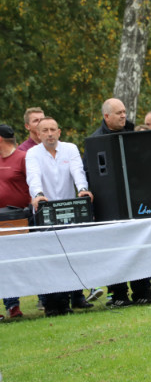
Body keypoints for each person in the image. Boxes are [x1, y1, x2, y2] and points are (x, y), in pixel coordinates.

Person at [26, 117, 95, 316]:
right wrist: (38, 194)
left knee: (68, 257)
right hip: (44, 210)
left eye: (53, 130)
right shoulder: (32, 153)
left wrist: (82, 189)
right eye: (45, 130)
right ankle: (50, 304)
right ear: (38, 134)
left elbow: (77, 171)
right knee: (49, 259)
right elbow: (33, 176)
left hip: (68, 211)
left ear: (59, 132)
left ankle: (65, 302)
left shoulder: (70, 149)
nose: (49, 134)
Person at [89, 98, 150, 306]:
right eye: (119, 113)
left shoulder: (133, 134)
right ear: (106, 116)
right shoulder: (96, 141)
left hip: (135, 201)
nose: (124, 115)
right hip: (109, 206)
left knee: (138, 246)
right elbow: (91, 173)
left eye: (124, 111)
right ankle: (118, 294)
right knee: (115, 250)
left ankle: (142, 291)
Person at [0, 124, 29, 319]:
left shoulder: (23, 158)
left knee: (20, 261)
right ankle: (11, 305)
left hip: (19, 218)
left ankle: (44, 299)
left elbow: (33, 184)